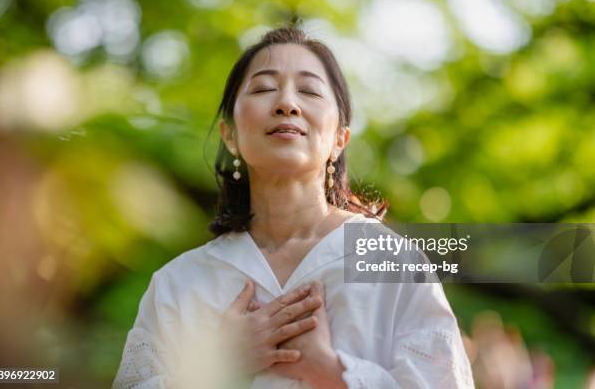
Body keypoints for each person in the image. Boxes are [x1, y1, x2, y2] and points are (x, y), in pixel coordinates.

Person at [112, 26, 474, 389]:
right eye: (264, 88)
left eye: (310, 91)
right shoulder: (179, 284)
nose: (287, 104)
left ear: (339, 139)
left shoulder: (394, 263)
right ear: (230, 135)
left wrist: (332, 372)